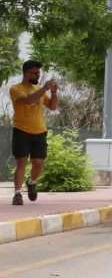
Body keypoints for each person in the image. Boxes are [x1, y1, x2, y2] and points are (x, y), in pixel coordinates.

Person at [9, 60, 58, 206]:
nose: (38, 75)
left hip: (39, 130)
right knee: (21, 162)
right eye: (35, 72)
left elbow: (53, 107)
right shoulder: (15, 89)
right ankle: (17, 194)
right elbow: (28, 100)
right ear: (26, 73)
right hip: (21, 130)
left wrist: (54, 93)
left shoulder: (39, 89)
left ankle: (31, 183)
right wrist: (45, 88)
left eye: (39, 73)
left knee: (38, 162)